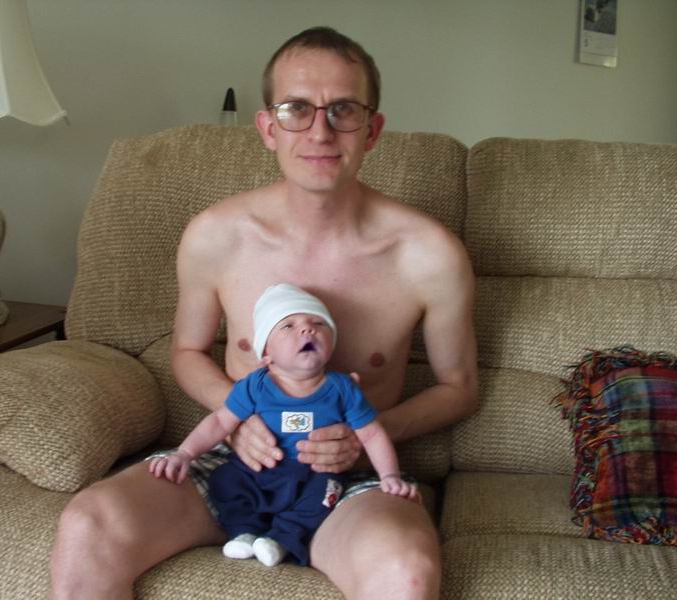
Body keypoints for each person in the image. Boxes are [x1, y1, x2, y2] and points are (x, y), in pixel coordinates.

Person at [50, 26, 478, 600]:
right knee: (88, 524)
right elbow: (186, 351)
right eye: (296, 109)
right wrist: (237, 416)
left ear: (372, 130)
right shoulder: (216, 235)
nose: (320, 131)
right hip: (232, 461)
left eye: (343, 109)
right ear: (267, 127)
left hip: (349, 481)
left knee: (406, 574)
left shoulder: (429, 255)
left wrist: (368, 436)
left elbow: (459, 388)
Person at [149, 282, 419, 567]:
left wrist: (389, 476)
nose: (307, 330)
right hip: (258, 470)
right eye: (288, 326)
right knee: (224, 480)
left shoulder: (342, 389)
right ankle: (244, 532)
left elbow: (372, 434)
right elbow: (219, 421)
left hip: (314, 473)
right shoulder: (255, 385)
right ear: (266, 354)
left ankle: (283, 539)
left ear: (332, 344)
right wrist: (185, 453)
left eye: (318, 323)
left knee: (327, 492)